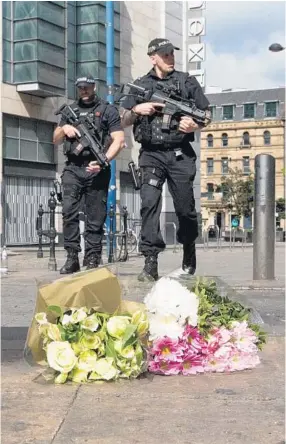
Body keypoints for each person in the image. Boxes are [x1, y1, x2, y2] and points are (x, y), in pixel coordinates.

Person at [120, 38, 211, 282]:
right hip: (150, 154)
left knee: (185, 209)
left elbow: (206, 115)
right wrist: (137, 110)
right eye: (165, 54)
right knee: (149, 204)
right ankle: (150, 261)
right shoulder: (141, 85)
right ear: (153, 58)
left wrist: (194, 124)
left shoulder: (187, 82)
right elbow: (121, 119)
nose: (170, 57)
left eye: (172, 53)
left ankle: (188, 249)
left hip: (180, 153)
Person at [53, 75, 125, 274]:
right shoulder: (70, 111)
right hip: (73, 168)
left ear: (94, 86)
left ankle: (92, 256)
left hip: (97, 169)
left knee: (96, 215)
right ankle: (71, 256)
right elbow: (56, 139)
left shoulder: (108, 110)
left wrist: (104, 163)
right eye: (80, 87)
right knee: (68, 212)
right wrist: (64, 128)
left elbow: (118, 139)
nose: (84, 90)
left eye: (87, 87)